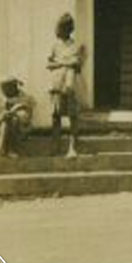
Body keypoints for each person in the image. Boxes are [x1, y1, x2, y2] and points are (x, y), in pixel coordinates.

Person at [47, 12, 83, 157]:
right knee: (56, 115)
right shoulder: (55, 46)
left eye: (61, 28)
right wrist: (64, 63)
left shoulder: (75, 46)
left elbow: (78, 66)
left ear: (68, 29)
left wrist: (71, 64)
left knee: (72, 115)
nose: (58, 31)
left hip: (70, 85)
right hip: (56, 84)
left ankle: (72, 147)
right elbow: (49, 64)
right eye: (58, 28)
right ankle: (55, 146)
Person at [0, 76, 34, 158]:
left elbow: (26, 118)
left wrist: (15, 114)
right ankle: (9, 150)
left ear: (13, 87)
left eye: (7, 88)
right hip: (3, 125)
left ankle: (1, 149)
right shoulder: (1, 100)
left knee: (12, 120)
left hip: (21, 126)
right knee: (7, 121)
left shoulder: (25, 98)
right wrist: (2, 116)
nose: (4, 90)